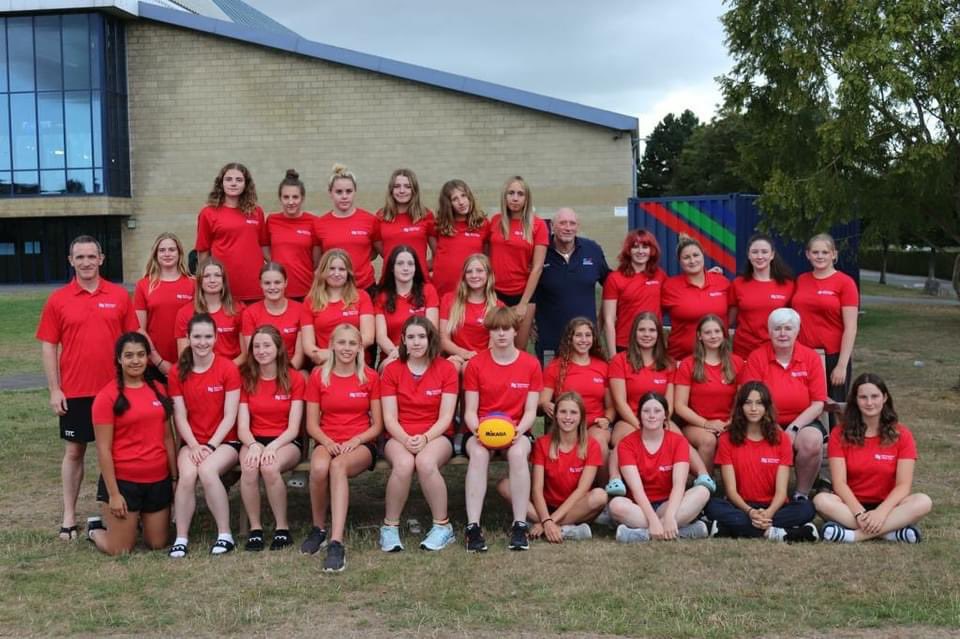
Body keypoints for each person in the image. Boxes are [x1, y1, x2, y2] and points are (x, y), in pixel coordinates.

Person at [36, 235, 138, 541]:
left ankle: (121, 511)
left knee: (120, 453)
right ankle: (69, 514)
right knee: (75, 451)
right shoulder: (58, 299)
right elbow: (49, 346)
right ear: (71, 261)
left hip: (115, 391)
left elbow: (133, 343)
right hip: (77, 391)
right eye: (79, 257)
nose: (86, 262)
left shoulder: (119, 296)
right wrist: (55, 389)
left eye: (91, 256)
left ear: (101, 259)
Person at [86, 332, 177, 555]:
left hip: (158, 479)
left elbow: (168, 438)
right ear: (119, 359)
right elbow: (103, 449)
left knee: (157, 543)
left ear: (148, 358)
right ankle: (95, 530)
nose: (135, 361)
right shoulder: (107, 397)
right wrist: (114, 494)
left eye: (140, 355)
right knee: (120, 550)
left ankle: (136, 521)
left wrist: (174, 478)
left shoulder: (158, 389)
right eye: (128, 356)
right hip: (125, 482)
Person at [302, 324, 383, 572]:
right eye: (342, 343)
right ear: (332, 346)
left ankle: (337, 542)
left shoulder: (369, 376)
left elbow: (378, 425)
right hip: (328, 439)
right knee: (318, 468)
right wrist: (326, 441)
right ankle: (319, 529)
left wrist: (356, 441)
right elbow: (311, 424)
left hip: (360, 442)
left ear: (360, 347)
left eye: (352, 344)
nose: (346, 348)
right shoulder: (318, 375)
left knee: (337, 466)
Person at [605, 312, 713, 497]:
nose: (647, 334)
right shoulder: (620, 361)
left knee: (679, 439)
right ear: (634, 333)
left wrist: (660, 421)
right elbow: (620, 402)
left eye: (652, 330)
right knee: (625, 441)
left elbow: (669, 403)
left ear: (658, 334)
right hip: (630, 418)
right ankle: (615, 481)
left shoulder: (668, 363)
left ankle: (702, 478)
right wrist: (641, 424)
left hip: (660, 418)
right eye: (642, 330)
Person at [814, 373, 932, 543]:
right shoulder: (839, 433)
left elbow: (903, 486)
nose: (869, 403)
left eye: (875, 396)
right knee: (821, 500)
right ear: (855, 400)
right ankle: (891, 533)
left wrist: (881, 513)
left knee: (923, 501)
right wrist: (859, 513)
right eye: (863, 397)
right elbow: (839, 483)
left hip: (889, 506)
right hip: (851, 507)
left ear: (884, 398)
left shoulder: (902, 435)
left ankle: (853, 536)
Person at [462, 307, 543, 552]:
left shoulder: (530, 364)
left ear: (515, 331)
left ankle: (519, 525)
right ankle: (473, 528)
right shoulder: (476, 364)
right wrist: (478, 431)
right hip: (481, 430)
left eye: (506, 329)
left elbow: (531, 410)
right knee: (477, 454)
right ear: (489, 332)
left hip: (517, 430)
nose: (501, 334)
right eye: (495, 329)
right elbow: (470, 411)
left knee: (519, 454)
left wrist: (519, 430)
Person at [379, 317, 459, 552]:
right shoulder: (392, 370)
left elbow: (446, 417)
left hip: (436, 435)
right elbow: (389, 418)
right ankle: (389, 528)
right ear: (403, 340)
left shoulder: (445, 368)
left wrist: (424, 438)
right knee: (403, 464)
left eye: (421, 337)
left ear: (430, 338)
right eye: (411, 337)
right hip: (399, 434)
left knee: (425, 462)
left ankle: (443, 526)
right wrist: (405, 438)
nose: (416, 342)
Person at [167, 313, 242, 557]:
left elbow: (230, 416)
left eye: (208, 336)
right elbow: (180, 416)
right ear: (188, 338)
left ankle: (225, 534)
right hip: (192, 442)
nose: (202, 342)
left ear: (216, 337)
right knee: (187, 475)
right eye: (197, 337)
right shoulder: (178, 371)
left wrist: (209, 446)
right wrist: (194, 445)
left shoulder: (228, 368)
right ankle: (181, 537)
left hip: (224, 441)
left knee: (207, 470)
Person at [704, 382, 818, 541]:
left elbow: (781, 492)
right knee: (712, 505)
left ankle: (731, 529)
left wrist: (769, 512)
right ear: (740, 407)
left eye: (759, 403)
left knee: (807, 508)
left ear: (767, 407)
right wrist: (750, 512)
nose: (753, 409)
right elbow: (731, 491)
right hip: (741, 507)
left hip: (774, 507)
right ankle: (782, 533)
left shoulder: (782, 439)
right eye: (748, 403)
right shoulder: (726, 439)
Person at [741, 308, 827, 500]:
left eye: (788, 328)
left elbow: (818, 403)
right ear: (769, 332)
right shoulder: (757, 357)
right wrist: (774, 426)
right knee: (767, 439)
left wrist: (794, 428)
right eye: (777, 328)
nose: (782, 333)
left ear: (797, 331)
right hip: (762, 419)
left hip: (803, 421)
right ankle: (762, 494)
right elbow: (751, 399)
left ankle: (801, 494)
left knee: (812, 442)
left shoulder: (810, 357)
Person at [237, 325, 305, 551]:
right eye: (256, 346)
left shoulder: (294, 378)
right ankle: (255, 530)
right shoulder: (246, 378)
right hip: (254, 439)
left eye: (267, 345)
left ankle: (282, 529)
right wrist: (254, 445)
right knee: (248, 468)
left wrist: (272, 447)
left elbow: (294, 428)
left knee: (269, 467)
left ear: (278, 348)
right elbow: (243, 427)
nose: (261, 350)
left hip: (285, 441)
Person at [608, 392, 710, 542]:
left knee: (702, 492)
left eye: (657, 411)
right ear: (639, 416)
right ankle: (684, 531)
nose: (651, 415)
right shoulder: (626, 444)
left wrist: (669, 516)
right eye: (646, 411)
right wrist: (653, 520)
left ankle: (642, 535)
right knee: (616, 505)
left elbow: (679, 485)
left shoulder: (679, 442)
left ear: (665, 416)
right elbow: (637, 489)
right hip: (640, 507)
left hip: (668, 504)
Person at [525, 392, 608, 542]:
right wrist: (546, 519)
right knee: (506, 486)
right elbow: (537, 488)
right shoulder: (542, 443)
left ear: (581, 417)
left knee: (600, 496)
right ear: (555, 415)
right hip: (546, 506)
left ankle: (549, 527)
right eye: (563, 411)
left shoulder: (592, 445)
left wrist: (548, 522)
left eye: (573, 412)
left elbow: (581, 490)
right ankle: (566, 529)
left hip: (574, 506)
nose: (568, 417)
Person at [791, 233, 859, 406]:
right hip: (804, 355)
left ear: (834, 254)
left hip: (833, 357)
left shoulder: (845, 283)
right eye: (815, 252)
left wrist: (842, 365)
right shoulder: (801, 280)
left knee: (835, 408)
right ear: (808, 254)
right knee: (805, 404)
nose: (819, 256)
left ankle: (837, 435)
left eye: (825, 252)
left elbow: (850, 327)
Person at [533, 208, 610, 361]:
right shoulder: (541, 251)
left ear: (577, 226)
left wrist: (603, 318)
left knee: (584, 383)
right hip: (550, 340)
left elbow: (611, 284)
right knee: (550, 382)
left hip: (585, 341)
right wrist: (527, 323)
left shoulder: (592, 250)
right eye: (562, 223)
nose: (568, 228)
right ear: (552, 226)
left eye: (572, 223)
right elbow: (526, 288)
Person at [674, 314, 744, 475]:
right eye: (707, 332)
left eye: (717, 331)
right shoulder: (688, 364)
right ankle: (705, 487)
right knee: (708, 440)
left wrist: (731, 422)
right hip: (696, 425)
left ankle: (736, 492)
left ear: (723, 334)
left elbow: (741, 400)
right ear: (699, 336)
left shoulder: (737, 363)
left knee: (735, 440)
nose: (713, 336)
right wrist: (707, 423)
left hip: (729, 423)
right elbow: (680, 406)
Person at [540, 318, 613, 461]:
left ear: (593, 338)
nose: (583, 340)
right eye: (578, 335)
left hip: (594, 423)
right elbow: (543, 399)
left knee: (598, 443)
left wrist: (607, 419)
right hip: (566, 423)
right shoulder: (556, 367)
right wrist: (545, 404)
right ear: (570, 338)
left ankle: (603, 483)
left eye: (588, 335)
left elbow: (611, 406)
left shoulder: (602, 367)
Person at [488, 176, 548, 349]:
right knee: (494, 348)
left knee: (518, 349)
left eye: (520, 194)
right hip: (495, 294)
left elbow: (537, 267)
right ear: (504, 196)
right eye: (511, 193)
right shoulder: (495, 221)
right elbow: (485, 257)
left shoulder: (537, 225)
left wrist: (523, 303)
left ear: (526, 198)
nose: (515, 198)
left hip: (523, 296)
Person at [196, 162, 268, 303]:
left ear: (246, 184)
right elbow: (203, 252)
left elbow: (264, 247)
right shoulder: (208, 213)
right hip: (223, 287)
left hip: (253, 286)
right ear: (221, 183)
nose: (233, 184)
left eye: (239, 180)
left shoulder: (256, 212)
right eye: (228, 179)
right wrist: (204, 284)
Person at [133, 232, 194, 381]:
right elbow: (139, 328)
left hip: (191, 361)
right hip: (154, 364)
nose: (167, 254)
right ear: (155, 254)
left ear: (179, 253)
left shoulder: (193, 284)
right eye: (162, 250)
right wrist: (158, 361)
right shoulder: (144, 285)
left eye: (172, 250)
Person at [300, 249, 375, 367]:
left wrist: (334, 354)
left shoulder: (362, 297)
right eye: (331, 268)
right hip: (325, 365)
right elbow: (308, 346)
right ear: (323, 271)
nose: (336, 273)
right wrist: (321, 356)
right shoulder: (310, 301)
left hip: (357, 364)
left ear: (348, 273)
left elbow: (368, 337)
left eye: (342, 269)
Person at [661, 236, 730, 361]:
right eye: (686, 257)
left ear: (703, 256)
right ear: (679, 261)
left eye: (696, 255)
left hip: (718, 358)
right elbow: (655, 315)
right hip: (680, 358)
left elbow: (733, 312)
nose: (692, 260)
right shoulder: (670, 286)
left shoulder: (722, 282)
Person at [727, 233, 795, 359]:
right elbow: (729, 320)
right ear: (748, 255)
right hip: (744, 351)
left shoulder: (788, 285)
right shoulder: (738, 284)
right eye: (755, 252)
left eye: (764, 252)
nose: (759, 256)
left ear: (772, 255)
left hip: (776, 350)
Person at [314, 164, 379, 293]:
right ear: (330, 193)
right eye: (339, 192)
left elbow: (374, 253)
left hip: (365, 288)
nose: (344, 196)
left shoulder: (370, 220)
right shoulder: (319, 224)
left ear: (355, 191)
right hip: (333, 290)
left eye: (349, 191)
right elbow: (318, 261)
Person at [602, 229, 667, 353]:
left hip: (653, 343)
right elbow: (609, 320)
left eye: (645, 247)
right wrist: (613, 356)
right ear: (628, 251)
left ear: (652, 251)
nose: (640, 251)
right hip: (625, 344)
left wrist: (708, 275)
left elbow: (680, 290)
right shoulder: (615, 278)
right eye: (635, 247)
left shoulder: (660, 276)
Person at [374, 245, 440, 369]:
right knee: (390, 366)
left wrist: (415, 354)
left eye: (410, 264)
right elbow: (381, 336)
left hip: (423, 354)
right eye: (400, 263)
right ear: (392, 268)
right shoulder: (381, 296)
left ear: (416, 268)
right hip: (393, 355)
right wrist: (400, 354)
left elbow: (432, 330)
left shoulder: (428, 291)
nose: (406, 268)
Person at [439, 254, 503, 372]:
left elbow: (493, 346)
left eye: (479, 271)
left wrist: (474, 359)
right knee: (452, 366)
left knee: (468, 368)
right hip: (456, 355)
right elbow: (443, 340)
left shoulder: (497, 306)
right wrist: (463, 353)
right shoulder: (449, 300)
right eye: (469, 272)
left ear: (488, 274)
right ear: (464, 276)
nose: (474, 275)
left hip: (485, 359)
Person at [175, 257, 244, 366]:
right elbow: (184, 357)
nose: (212, 280)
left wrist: (224, 371)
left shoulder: (238, 309)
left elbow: (245, 355)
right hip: (199, 372)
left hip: (232, 370)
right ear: (199, 281)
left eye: (217, 275)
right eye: (206, 276)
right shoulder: (185, 313)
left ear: (224, 280)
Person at [265, 169, 317, 301]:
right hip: (277, 290)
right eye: (286, 197)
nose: (290, 202)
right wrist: (277, 264)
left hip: (305, 288)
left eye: (295, 197)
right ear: (280, 198)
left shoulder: (314, 222)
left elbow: (317, 258)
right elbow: (264, 246)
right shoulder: (271, 220)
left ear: (302, 198)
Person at [432, 179, 489, 298]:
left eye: (463, 196)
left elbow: (487, 258)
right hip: (443, 291)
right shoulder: (439, 226)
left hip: (471, 290)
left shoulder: (482, 224)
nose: (461, 202)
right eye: (455, 199)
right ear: (448, 204)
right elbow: (436, 255)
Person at [241, 262, 304, 369]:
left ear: (286, 282)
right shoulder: (249, 313)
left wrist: (286, 375)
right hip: (262, 370)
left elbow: (299, 355)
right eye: (267, 283)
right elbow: (253, 352)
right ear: (260, 284)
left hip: (291, 369)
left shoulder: (300, 309)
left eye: (277, 282)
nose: (272, 287)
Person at [377, 168, 435, 280]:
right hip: (390, 282)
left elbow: (438, 253)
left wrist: (420, 267)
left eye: (407, 187)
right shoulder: (380, 216)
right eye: (397, 186)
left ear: (414, 190)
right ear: (391, 190)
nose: (402, 191)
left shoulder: (426, 215)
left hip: (420, 282)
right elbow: (384, 253)